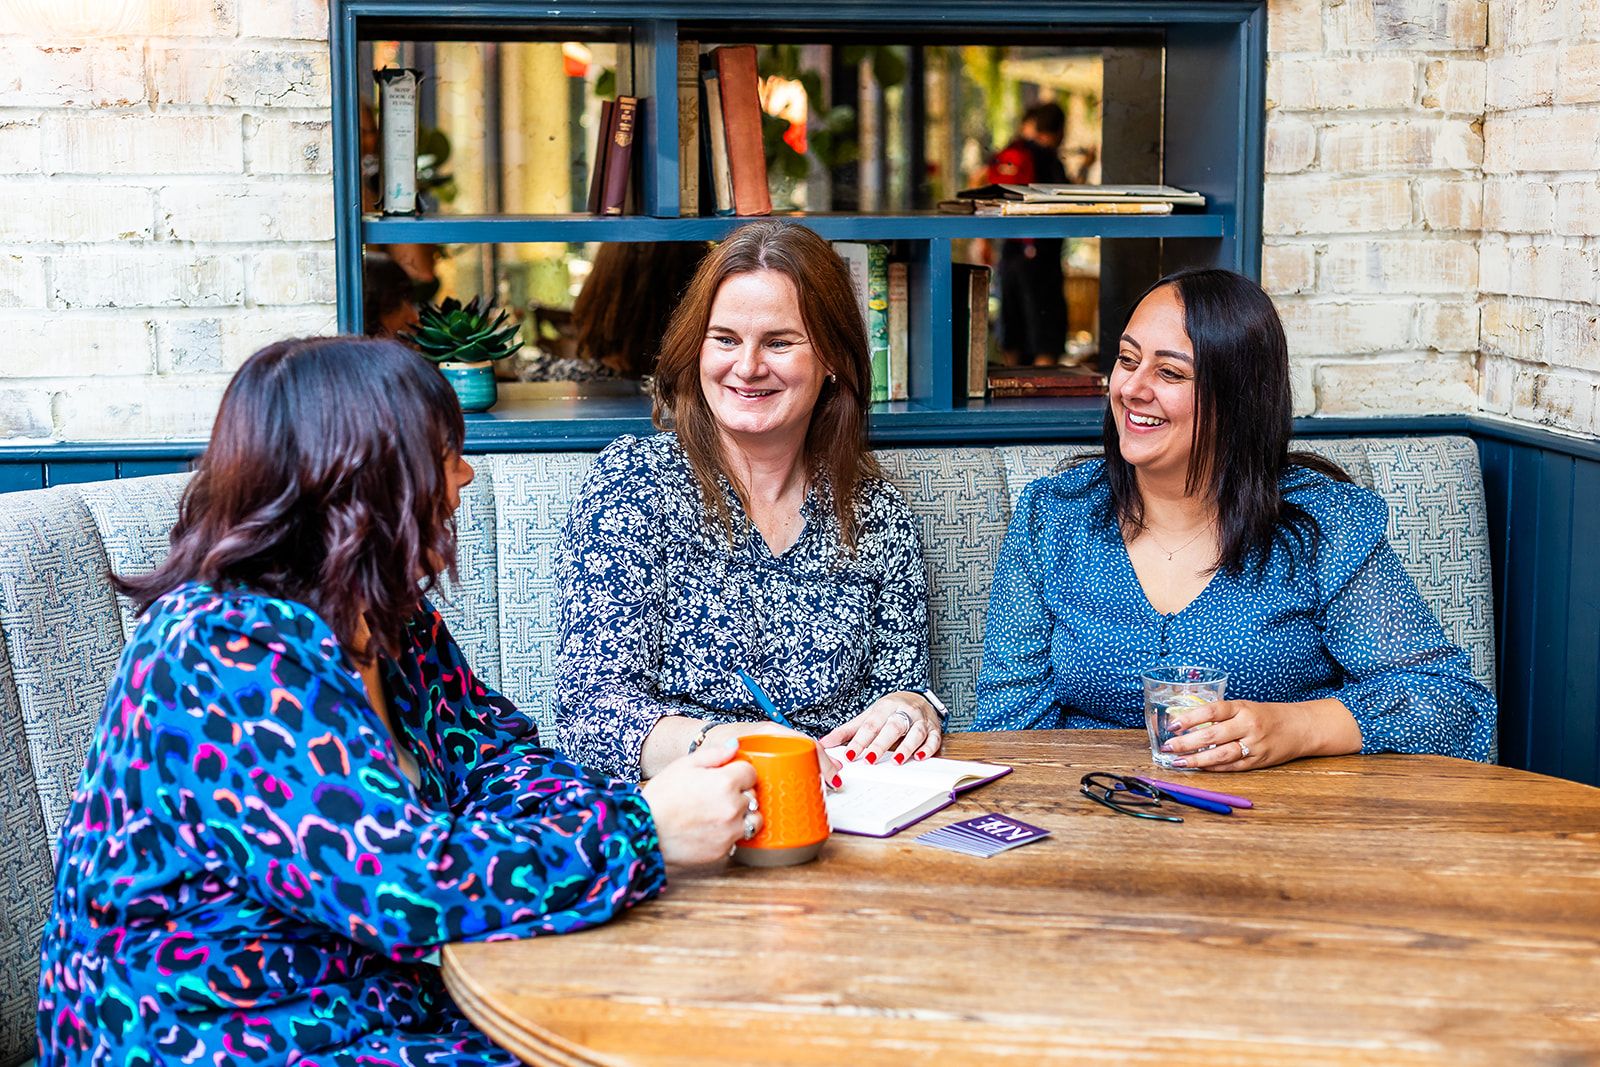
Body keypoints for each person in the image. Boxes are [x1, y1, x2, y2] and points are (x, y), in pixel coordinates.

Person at [37, 337, 762, 1066]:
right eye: (445, 453)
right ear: (366, 481)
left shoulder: (389, 616)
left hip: (377, 995)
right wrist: (640, 830)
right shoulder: (220, 655)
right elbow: (405, 889)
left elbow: (498, 760)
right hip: (220, 1030)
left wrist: (654, 804)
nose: (467, 477)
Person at [973, 268, 1496, 769]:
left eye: (1171, 372)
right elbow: (1006, 728)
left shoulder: (1320, 526)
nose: (1131, 388)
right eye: (1128, 360)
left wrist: (1294, 729)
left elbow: (1453, 708)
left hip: (1277, 824)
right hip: (1096, 814)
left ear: (1239, 399)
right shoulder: (1055, 517)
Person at [555, 220, 946, 783]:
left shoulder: (877, 514)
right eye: (725, 339)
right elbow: (591, 714)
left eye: (780, 342)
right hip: (691, 807)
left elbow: (898, 681)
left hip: (845, 810)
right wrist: (741, 746)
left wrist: (909, 709)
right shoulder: (634, 486)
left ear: (832, 358)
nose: (747, 367)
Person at [988, 101, 1069, 367]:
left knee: (1013, 323)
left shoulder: (1012, 152)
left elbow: (981, 184)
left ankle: (1012, 394)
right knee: (1045, 328)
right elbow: (1065, 199)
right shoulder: (1046, 156)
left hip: (1010, 251)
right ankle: (1044, 397)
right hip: (1040, 255)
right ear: (1058, 131)